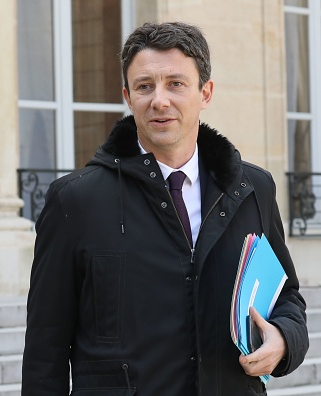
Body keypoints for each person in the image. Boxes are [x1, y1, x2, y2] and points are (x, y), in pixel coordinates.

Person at [22, 22, 308, 395]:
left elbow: (287, 298)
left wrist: (284, 340)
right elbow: (46, 349)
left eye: (176, 83)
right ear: (127, 95)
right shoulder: (73, 201)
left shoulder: (253, 189)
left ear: (205, 92)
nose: (159, 100)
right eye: (144, 86)